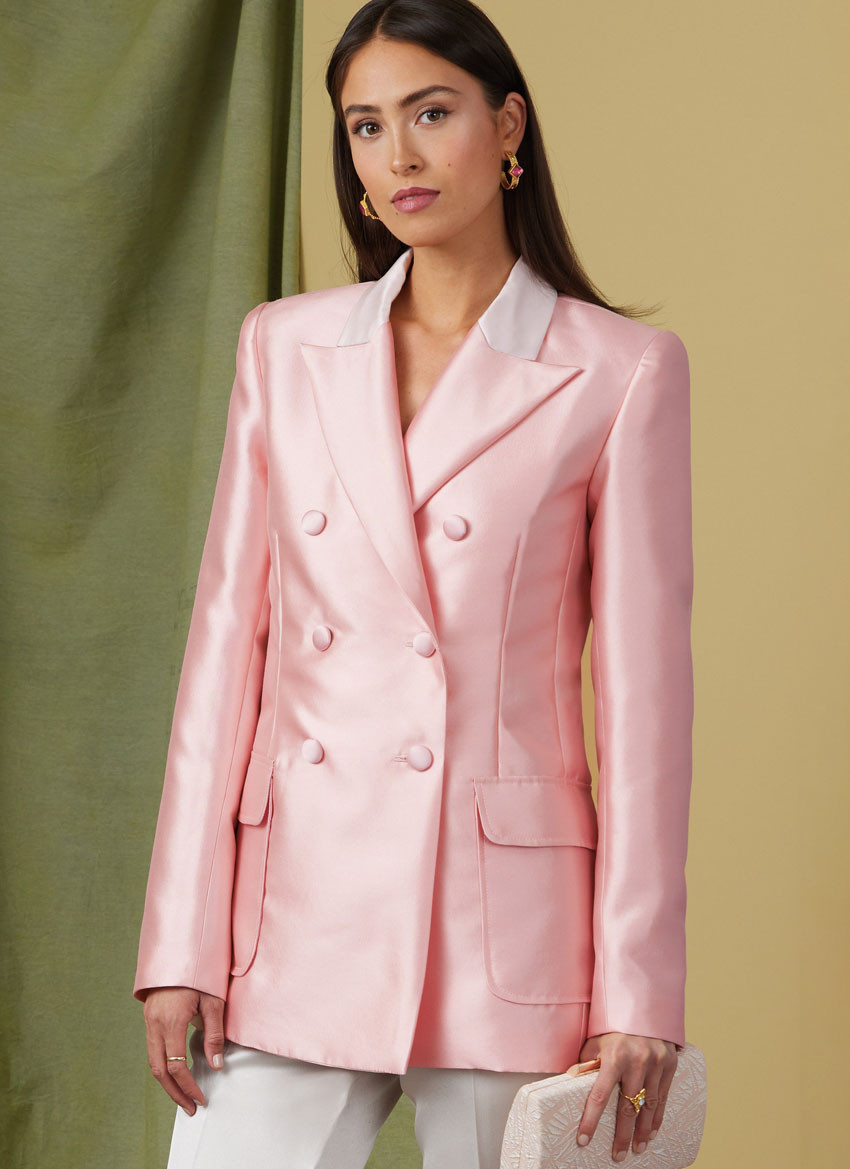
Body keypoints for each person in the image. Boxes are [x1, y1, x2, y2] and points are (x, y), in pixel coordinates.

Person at [134, 1, 695, 1166]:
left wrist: (637, 985)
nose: (397, 155)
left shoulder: (617, 371)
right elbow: (225, 651)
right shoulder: (283, 348)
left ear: (507, 127)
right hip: (296, 909)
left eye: (431, 113)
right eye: (364, 125)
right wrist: (181, 939)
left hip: (505, 924)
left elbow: (645, 705)